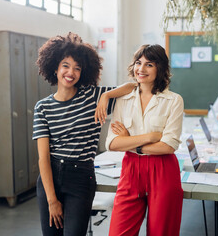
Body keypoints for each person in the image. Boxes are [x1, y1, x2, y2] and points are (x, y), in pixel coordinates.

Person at [32, 32, 135, 236]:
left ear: (83, 72)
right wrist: (52, 200)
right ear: (55, 67)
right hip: (50, 177)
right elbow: (43, 158)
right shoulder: (42, 107)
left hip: (81, 177)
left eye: (77, 68)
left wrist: (106, 95)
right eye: (66, 66)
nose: (71, 72)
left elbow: (134, 87)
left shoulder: (93, 96)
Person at [105, 44, 184, 236]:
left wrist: (132, 143)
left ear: (160, 68)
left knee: (161, 232)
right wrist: (149, 138)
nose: (141, 69)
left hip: (163, 170)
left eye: (149, 64)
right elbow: (112, 144)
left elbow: (168, 146)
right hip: (130, 170)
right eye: (138, 63)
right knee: (118, 232)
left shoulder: (173, 100)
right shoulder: (123, 100)